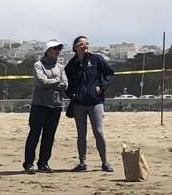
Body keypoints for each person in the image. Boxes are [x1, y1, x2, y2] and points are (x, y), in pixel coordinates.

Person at [63, 36, 115, 172]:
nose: (85, 45)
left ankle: (105, 162)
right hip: (79, 104)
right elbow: (66, 84)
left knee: (98, 131)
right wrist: (71, 94)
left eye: (86, 43)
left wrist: (102, 87)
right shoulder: (71, 65)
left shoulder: (96, 59)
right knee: (81, 134)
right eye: (81, 44)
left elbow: (110, 74)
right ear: (75, 47)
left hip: (95, 102)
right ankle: (82, 162)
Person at [24, 40, 67, 173]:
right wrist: (57, 82)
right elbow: (41, 81)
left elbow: (65, 83)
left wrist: (54, 83)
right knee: (34, 134)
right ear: (48, 51)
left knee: (49, 135)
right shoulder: (38, 65)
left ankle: (43, 163)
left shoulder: (60, 67)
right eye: (55, 49)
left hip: (56, 105)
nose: (58, 51)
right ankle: (28, 163)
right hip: (39, 105)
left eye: (59, 49)